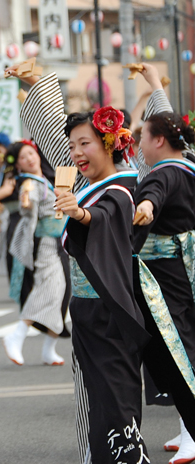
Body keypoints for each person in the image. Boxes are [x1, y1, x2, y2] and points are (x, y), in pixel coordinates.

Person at [9, 65, 152, 463]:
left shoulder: (123, 185)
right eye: (73, 147)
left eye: (85, 144)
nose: (75, 154)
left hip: (114, 309)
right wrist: (36, 85)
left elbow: (109, 214)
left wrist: (82, 215)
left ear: (109, 143)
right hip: (88, 310)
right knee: (92, 398)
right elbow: (56, 135)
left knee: (117, 400)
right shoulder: (83, 181)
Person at [131, 63, 195, 464]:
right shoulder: (188, 161)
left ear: (157, 141)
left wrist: (145, 205)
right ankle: (189, 427)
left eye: (142, 136)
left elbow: (156, 189)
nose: (138, 143)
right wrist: (154, 85)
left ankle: (194, 430)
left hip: (167, 275)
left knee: (178, 348)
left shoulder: (165, 172)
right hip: (187, 269)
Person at [3, 140, 70, 366]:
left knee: (61, 292)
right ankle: (18, 333)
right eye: (23, 157)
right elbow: (26, 204)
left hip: (60, 243)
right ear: (19, 165)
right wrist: (26, 201)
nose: (30, 158)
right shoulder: (29, 184)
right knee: (49, 287)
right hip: (46, 245)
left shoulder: (46, 181)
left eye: (31, 153)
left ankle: (49, 349)